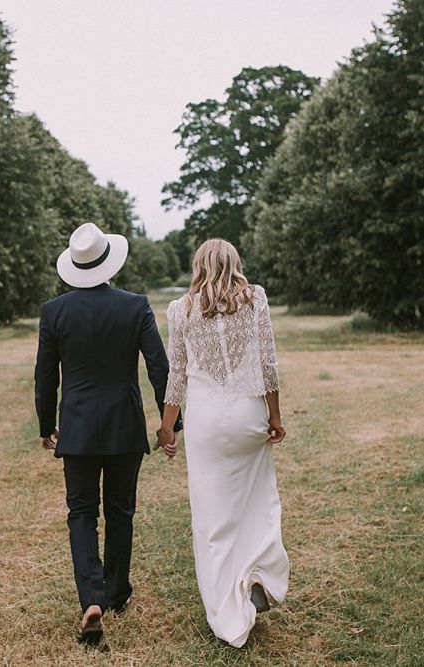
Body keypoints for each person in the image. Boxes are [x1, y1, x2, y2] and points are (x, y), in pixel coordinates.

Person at [34, 222, 181, 645]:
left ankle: (91, 599)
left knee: (81, 512)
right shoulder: (135, 306)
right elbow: (160, 367)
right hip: (124, 427)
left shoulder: (54, 311)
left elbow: (46, 378)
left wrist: (48, 426)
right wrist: (172, 424)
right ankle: (116, 593)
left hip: (77, 430)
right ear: (109, 261)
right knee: (121, 510)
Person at [157, 238, 289, 648]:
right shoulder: (256, 301)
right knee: (257, 501)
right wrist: (275, 416)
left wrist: (167, 428)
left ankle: (230, 620)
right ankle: (259, 578)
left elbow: (176, 375)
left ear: (198, 266)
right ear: (235, 263)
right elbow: (268, 364)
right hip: (248, 415)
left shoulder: (181, 310)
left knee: (213, 521)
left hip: (207, 423)